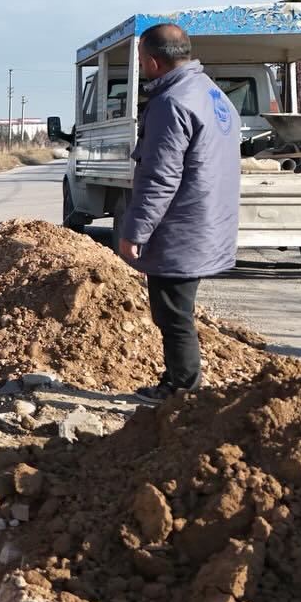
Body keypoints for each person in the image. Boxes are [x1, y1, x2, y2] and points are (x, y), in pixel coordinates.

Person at [118, 23, 241, 403]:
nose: (141, 66)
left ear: (153, 62)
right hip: (208, 222)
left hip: (183, 228)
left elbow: (160, 177)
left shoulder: (171, 103)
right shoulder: (211, 93)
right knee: (178, 311)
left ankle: (181, 390)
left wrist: (134, 231)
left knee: (173, 315)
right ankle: (179, 380)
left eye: (140, 60)